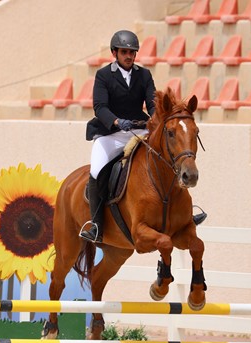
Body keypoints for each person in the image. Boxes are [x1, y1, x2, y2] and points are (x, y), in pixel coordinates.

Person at [80, 30, 206, 243]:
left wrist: (158, 118)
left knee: (168, 156)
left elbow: (152, 104)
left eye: (132, 52)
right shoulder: (104, 75)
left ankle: (184, 213)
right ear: (114, 53)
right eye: (124, 52)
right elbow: (100, 107)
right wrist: (117, 121)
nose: (129, 56)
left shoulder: (144, 75)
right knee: (97, 170)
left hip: (138, 129)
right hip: (110, 133)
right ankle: (96, 225)